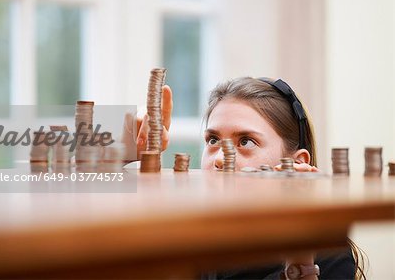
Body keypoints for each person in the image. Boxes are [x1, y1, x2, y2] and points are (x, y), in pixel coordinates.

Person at [135, 77, 365, 280]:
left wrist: (301, 267)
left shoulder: (326, 254)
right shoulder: (189, 242)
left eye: (245, 141)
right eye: (213, 140)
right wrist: (122, 154)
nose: (220, 159)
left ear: (298, 165)